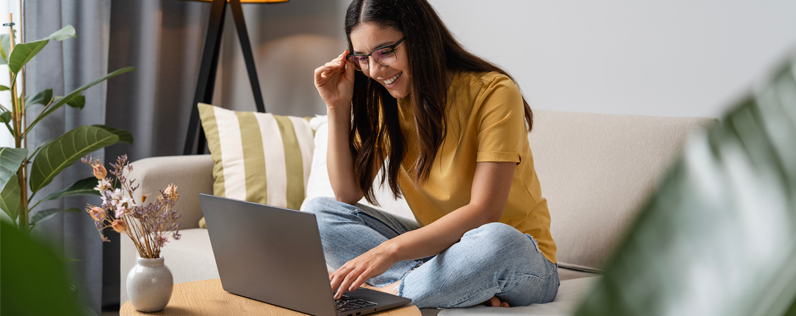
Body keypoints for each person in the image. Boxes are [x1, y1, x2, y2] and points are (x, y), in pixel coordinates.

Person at [307, 0, 559, 308]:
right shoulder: (386, 103)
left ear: (419, 37)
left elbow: (484, 213)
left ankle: (392, 295)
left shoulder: (494, 92)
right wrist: (336, 106)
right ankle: (456, 285)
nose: (374, 70)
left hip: (522, 259)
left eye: (386, 52)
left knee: (496, 239)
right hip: (442, 253)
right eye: (362, 58)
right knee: (318, 213)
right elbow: (347, 192)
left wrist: (387, 252)